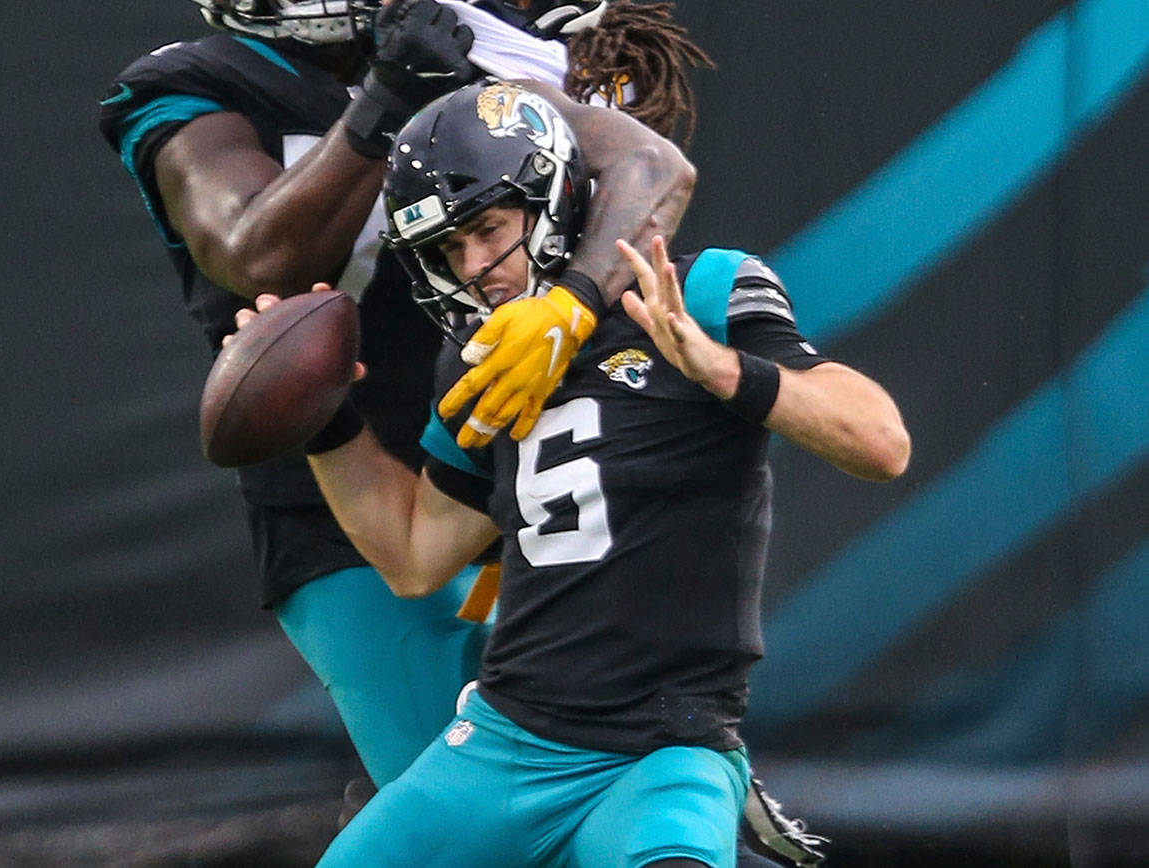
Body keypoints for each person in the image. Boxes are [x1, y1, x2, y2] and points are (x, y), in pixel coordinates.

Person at [102, 3, 822, 862]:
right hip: (348, 493)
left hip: (515, 455)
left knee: (572, 758)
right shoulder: (194, 87)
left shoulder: (457, 44)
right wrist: (384, 103)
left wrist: (569, 304)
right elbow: (253, 255)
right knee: (482, 810)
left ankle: (685, 773)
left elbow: (652, 169)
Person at [288, 80, 910, 866]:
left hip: (663, 749)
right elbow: (416, 559)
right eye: (450, 250)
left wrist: (721, 371)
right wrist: (322, 419)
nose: (475, 267)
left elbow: (881, 442)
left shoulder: (699, 291)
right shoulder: (478, 358)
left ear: (551, 197)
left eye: (486, 229)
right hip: (508, 746)